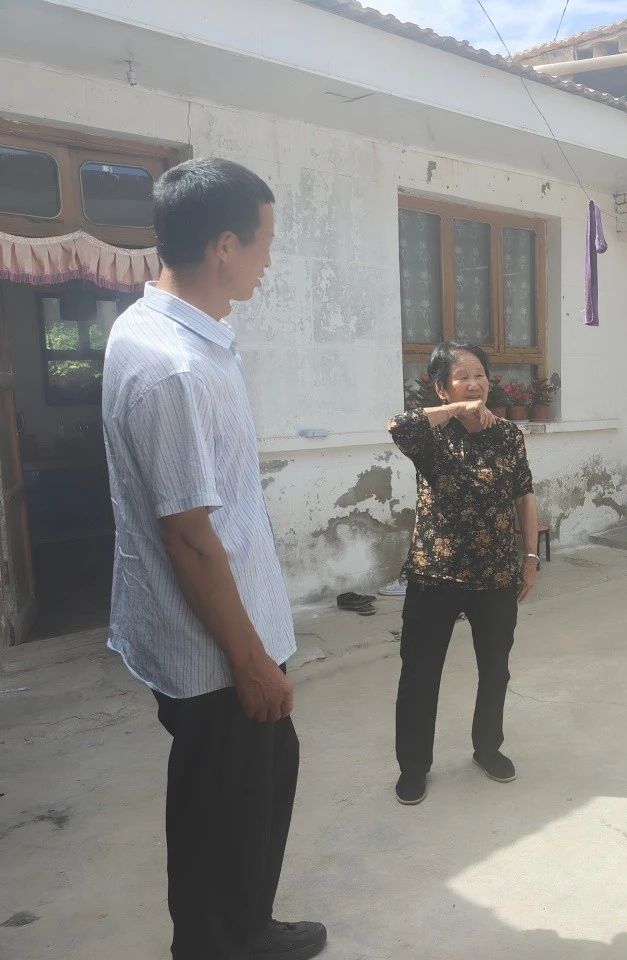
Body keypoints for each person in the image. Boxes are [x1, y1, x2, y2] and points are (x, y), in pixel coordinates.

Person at [102, 158, 326, 960]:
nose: (269, 260)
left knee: (252, 791)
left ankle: (246, 927)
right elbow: (191, 538)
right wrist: (251, 662)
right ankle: (213, 944)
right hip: (214, 655)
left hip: (228, 632)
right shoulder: (174, 367)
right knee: (219, 812)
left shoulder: (164, 333)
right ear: (224, 246)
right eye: (264, 242)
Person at [388, 342, 540, 805]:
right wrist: (455, 411)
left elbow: (524, 495)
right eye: (462, 377)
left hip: (494, 574)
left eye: (480, 375)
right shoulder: (431, 435)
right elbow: (398, 426)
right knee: (420, 673)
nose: (474, 384)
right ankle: (414, 767)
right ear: (442, 388)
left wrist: (529, 558)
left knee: (495, 669)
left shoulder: (508, 436)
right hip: (435, 573)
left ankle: (487, 748)